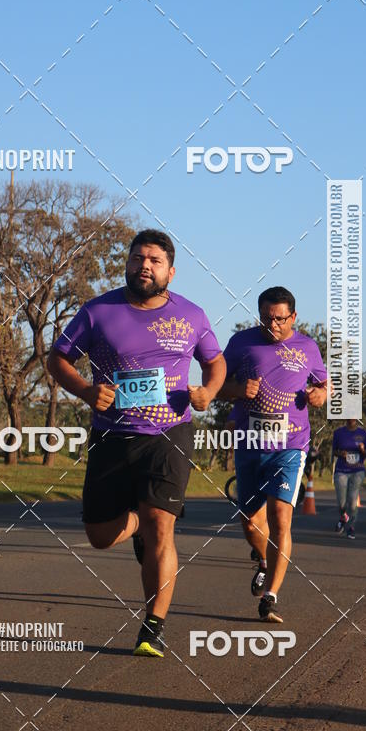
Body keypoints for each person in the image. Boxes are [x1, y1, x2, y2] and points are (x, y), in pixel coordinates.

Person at [47, 229, 225, 657]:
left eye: (154, 261)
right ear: (126, 263)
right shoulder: (97, 311)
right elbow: (57, 358)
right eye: (137, 258)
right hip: (111, 432)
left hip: (170, 433)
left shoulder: (192, 316)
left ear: (171, 271)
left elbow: (215, 363)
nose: (144, 266)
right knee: (98, 535)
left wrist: (208, 391)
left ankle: (153, 627)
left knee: (162, 525)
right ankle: (137, 525)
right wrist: (87, 391)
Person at [217, 286, 328, 624]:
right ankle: (263, 560)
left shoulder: (307, 346)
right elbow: (216, 385)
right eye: (266, 319)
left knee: (281, 516)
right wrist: (237, 389)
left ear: (293, 317)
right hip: (250, 443)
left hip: (291, 445)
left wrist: (318, 395)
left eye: (279, 319)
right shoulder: (242, 343)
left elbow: (324, 386)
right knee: (251, 521)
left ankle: (271, 598)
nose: (273, 326)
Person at [332, 419, 366, 539]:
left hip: (357, 471)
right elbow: (334, 451)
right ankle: (344, 516)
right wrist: (340, 453)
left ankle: (351, 527)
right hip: (341, 470)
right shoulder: (338, 432)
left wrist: (363, 450)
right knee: (341, 502)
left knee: (353, 502)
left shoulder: (363, 433)